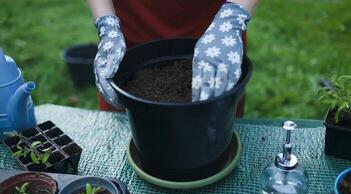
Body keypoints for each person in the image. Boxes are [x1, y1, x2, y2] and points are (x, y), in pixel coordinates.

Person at [87, 0, 260, 116]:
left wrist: (233, 17)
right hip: (127, 37)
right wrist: (106, 23)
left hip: (217, 34)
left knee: (216, 132)